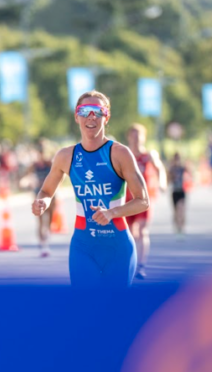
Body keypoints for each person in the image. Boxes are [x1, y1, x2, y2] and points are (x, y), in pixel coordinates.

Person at [31, 90, 150, 287]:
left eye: (98, 111)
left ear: (106, 116)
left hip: (118, 248)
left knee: (114, 306)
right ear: (77, 116)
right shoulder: (65, 156)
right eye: (85, 111)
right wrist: (42, 201)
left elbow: (143, 201)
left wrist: (111, 213)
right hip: (83, 248)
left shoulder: (120, 153)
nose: (91, 116)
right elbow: (46, 192)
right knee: (85, 304)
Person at [124, 124, 166, 279]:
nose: (135, 138)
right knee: (129, 233)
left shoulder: (148, 155)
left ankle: (141, 266)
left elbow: (160, 168)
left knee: (142, 231)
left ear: (144, 137)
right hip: (126, 200)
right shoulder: (124, 154)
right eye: (133, 135)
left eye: (138, 135)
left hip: (143, 200)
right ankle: (131, 263)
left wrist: (162, 183)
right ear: (128, 137)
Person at [28, 142, 56, 257]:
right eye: (40, 153)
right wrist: (29, 182)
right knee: (39, 219)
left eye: (43, 153)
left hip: (50, 194)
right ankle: (42, 242)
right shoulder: (34, 165)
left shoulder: (50, 164)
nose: (41, 156)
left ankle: (47, 234)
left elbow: (58, 175)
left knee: (50, 217)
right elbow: (27, 175)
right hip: (38, 193)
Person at [167, 153, 190, 237]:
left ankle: (182, 227)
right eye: (176, 159)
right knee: (176, 211)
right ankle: (177, 226)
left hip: (182, 191)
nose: (177, 160)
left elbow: (190, 174)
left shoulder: (182, 168)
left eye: (178, 159)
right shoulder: (172, 169)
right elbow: (168, 179)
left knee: (181, 209)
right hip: (174, 191)